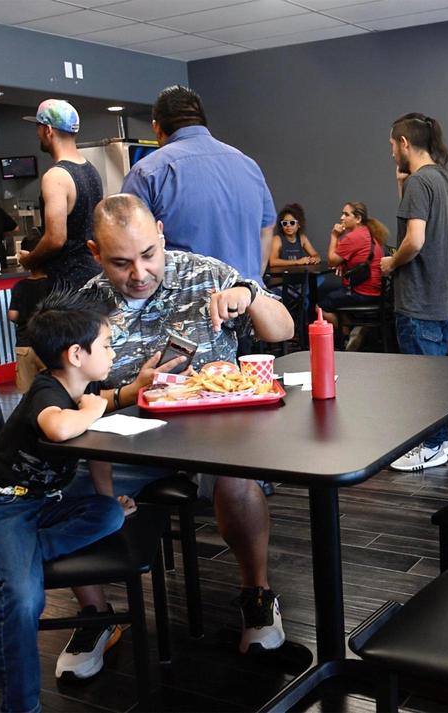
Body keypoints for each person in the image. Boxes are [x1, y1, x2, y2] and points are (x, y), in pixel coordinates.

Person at [76, 193, 294, 661]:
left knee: (236, 477)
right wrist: (130, 393)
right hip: (129, 440)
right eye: (120, 263)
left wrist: (249, 295)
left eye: (148, 255)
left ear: (160, 231)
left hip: (215, 434)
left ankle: (257, 596)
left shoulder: (205, 272)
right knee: (58, 481)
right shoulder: (85, 305)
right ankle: (93, 618)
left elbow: (282, 330)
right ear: (95, 253)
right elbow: (68, 397)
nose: (139, 274)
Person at [0, 289, 131, 712]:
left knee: (109, 513)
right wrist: (94, 409)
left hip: (45, 504)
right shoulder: (48, 394)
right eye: (106, 345)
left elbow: (91, 440)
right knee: (23, 599)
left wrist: (98, 404)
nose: (111, 352)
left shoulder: (85, 388)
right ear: (75, 354)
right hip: (6, 505)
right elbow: (57, 429)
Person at [122, 85, 276, 284]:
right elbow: (266, 230)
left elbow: (128, 244)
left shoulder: (148, 172)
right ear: (202, 121)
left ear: (156, 127)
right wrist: (245, 287)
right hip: (248, 304)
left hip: (188, 308)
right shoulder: (248, 165)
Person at [382, 113, 448, 472]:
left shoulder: (418, 183)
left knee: (421, 380)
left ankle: (430, 446)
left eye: (392, 146)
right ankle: (440, 441)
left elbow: (414, 240)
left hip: (417, 298)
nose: (391, 154)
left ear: (404, 143)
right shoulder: (442, 178)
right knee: (434, 376)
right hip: (440, 298)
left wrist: (392, 263)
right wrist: (401, 183)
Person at [18, 99, 102, 289]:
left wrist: (29, 260)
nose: (37, 134)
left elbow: (55, 239)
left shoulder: (55, 176)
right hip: (94, 274)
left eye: (38, 127)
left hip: (69, 283)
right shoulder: (91, 170)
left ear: (48, 130)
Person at [319, 201, 385, 314]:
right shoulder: (367, 232)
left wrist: (334, 236)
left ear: (358, 218)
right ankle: (353, 328)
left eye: (346, 214)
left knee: (320, 308)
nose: (341, 217)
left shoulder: (353, 237)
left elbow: (332, 261)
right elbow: (342, 258)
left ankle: (345, 331)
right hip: (376, 293)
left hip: (362, 294)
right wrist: (342, 263)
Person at [8, 234, 52, 393]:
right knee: (51, 389)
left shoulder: (20, 286)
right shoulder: (53, 284)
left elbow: (12, 315)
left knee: (27, 393)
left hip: (24, 347)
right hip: (49, 345)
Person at [268, 203, 320, 268]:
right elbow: (272, 262)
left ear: (299, 224)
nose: (288, 225)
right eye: (285, 223)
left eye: (292, 223)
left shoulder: (302, 238)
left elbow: (315, 255)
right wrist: (297, 262)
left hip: (299, 275)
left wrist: (315, 259)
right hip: (282, 276)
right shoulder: (277, 239)